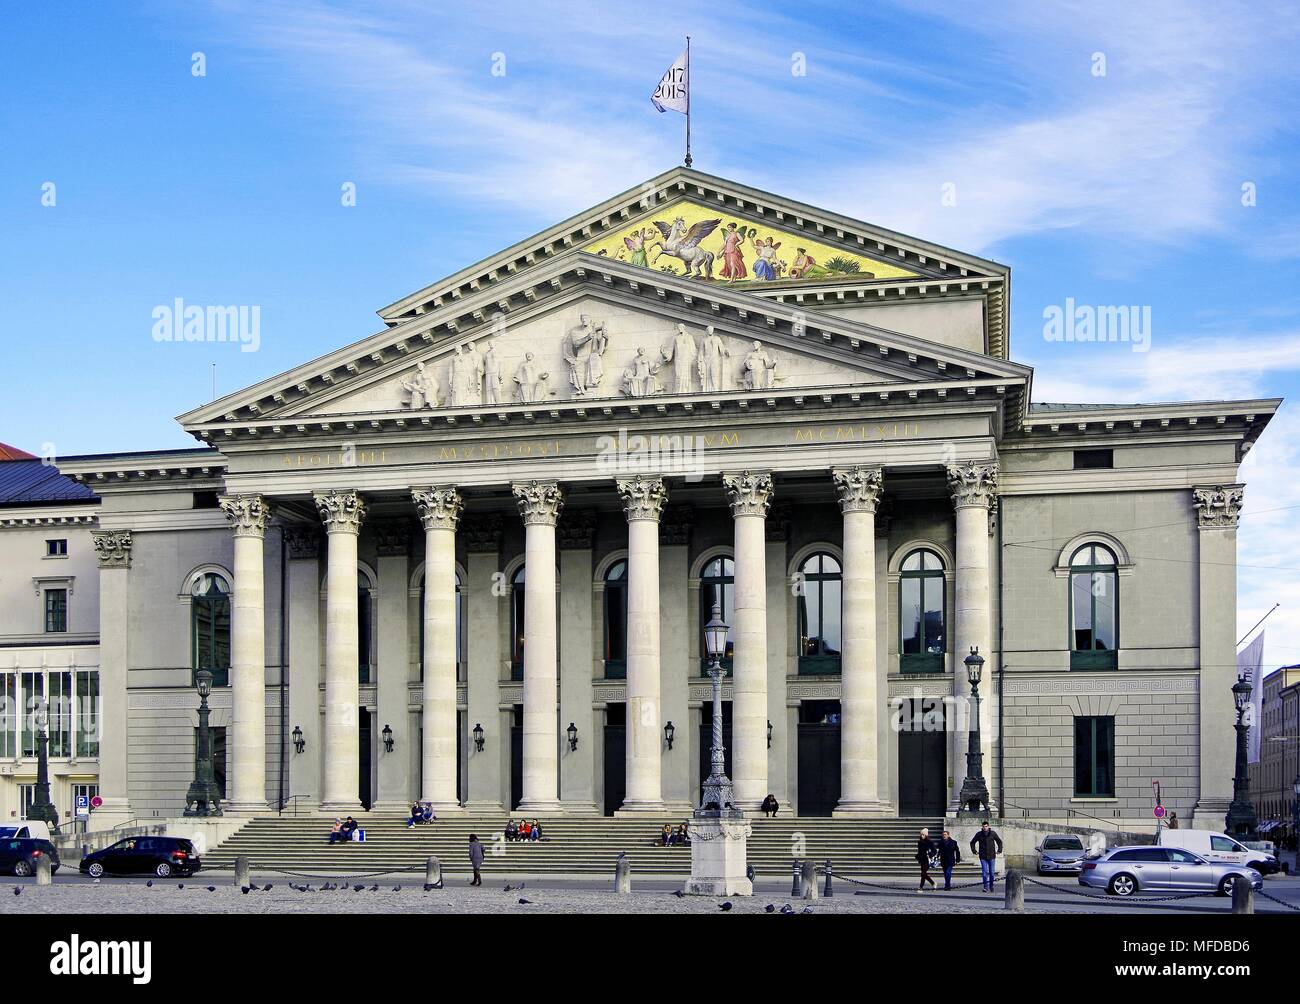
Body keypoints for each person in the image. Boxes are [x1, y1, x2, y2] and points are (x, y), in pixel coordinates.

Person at [969, 821, 1003, 892]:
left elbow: (999, 841)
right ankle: (985, 887)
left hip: (991, 856)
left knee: (992, 872)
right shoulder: (979, 834)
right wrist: (974, 851)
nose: (985, 828)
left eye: (986, 826)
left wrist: (999, 850)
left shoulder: (992, 833)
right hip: (983, 856)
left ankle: (991, 885)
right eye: (983, 826)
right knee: (984, 873)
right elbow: (972, 842)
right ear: (982, 827)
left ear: (988, 826)